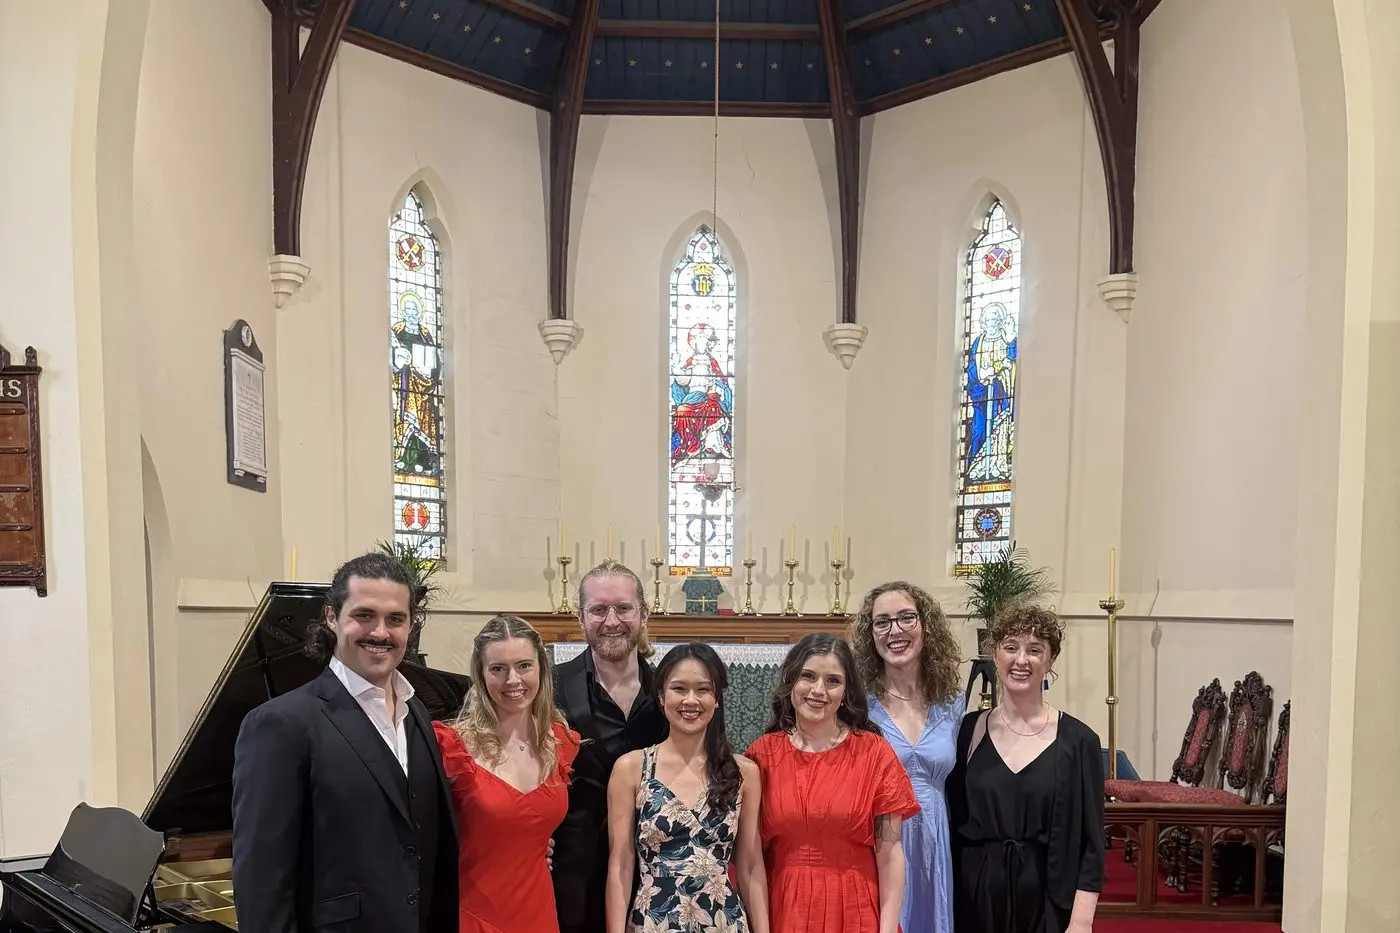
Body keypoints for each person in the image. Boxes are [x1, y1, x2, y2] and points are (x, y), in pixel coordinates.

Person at [231, 552, 458, 933]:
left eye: (396, 619)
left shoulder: (416, 710)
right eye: (364, 615)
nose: (381, 632)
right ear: (332, 618)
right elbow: (262, 880)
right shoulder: (281, 724)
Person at [745, 633, 919, 933]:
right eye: (808, 676)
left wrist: (887, 928)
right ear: (791, 682)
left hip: (856, 909)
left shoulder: (874, 753)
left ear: (846, 690)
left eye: (832, 681)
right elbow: (749, 857)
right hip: (785, 908)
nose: (818, 690)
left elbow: (890, 852)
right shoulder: (762, 755)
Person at [947, 605, 1104, 933]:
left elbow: (1092, 842)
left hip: (1048, 897)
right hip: (976, 897)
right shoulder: (968, 731)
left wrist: (1081, 920)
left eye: (1035, 650)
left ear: (1050, 660)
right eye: (1010, 647)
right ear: (995, 655)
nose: (1021, 659)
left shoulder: (1079, 740)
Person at [604, 643, 770, 933]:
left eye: (703, 690)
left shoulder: (744, 773)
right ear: (661, 695)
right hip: (654, 921)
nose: (690, 700)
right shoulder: (630, 769)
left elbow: (751, 864)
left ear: (717, 698)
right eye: (679, 689)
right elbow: (620, 863)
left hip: (722, 921)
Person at [434, 615, 581, 932]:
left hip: (537, 910)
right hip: (472, 912)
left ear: (541, 667)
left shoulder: (559, 743)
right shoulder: (452, 747)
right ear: (481, 674)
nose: (513, 679)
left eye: (524, 666)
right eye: (498, 669)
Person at [552, 560, 669, 933]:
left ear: (644, 613)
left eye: (623, 608)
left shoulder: (671, 690)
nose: (612, 620)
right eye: (599, 609)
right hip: (573, 865)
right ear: (581, 616)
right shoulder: (551, 686)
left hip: (658, 863)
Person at [849, 582, 964, 933]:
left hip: (934, 834)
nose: (894, 630)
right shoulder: (856, 705)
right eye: (881, 622)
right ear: (871, 635)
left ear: (925, 627)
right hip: (878, 838)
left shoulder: (953, 704)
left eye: (906, 618)